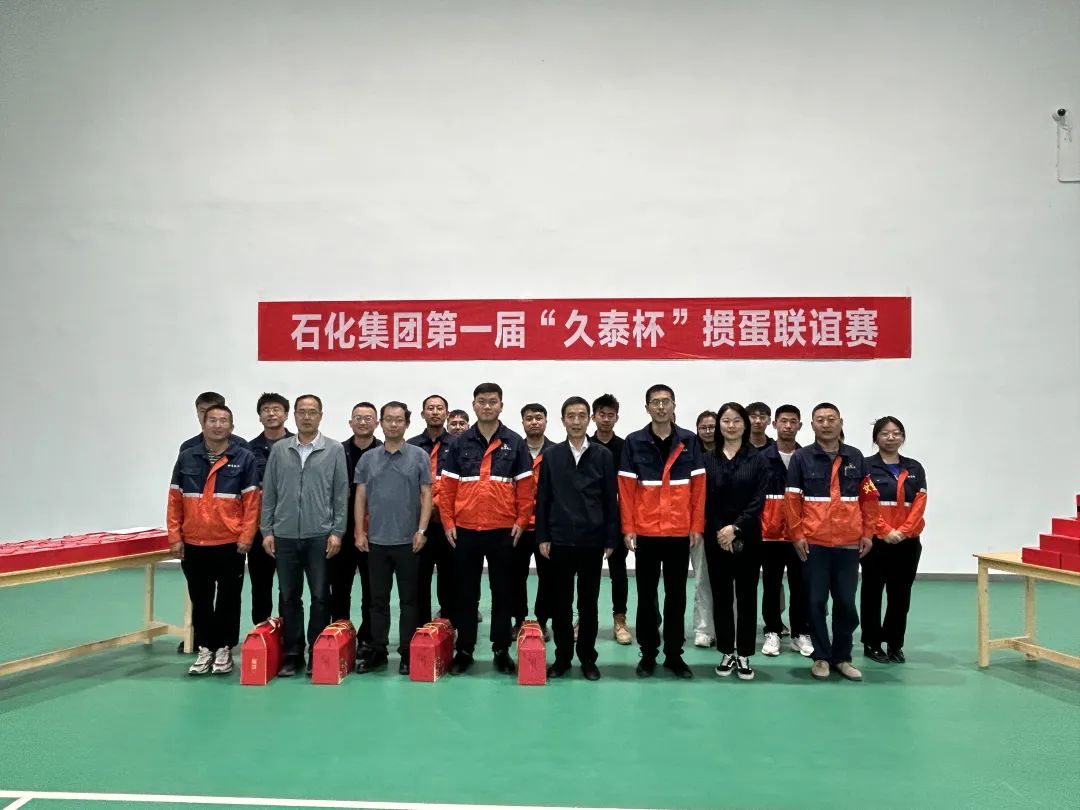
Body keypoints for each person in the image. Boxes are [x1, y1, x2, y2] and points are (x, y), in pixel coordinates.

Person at [441, 383, 534, 675]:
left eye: (492, 401)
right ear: (474, 405)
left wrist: (521, 521)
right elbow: (447, 487)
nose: (487, 406)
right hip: (466, 530)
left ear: (501, 406)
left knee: (503, 592)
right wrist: (448, 522)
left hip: (503, 530)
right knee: (465, 593)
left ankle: (501, 649)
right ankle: (465, 649)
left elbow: (526, 487)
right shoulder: (460, 443)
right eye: (482, 401)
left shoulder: (515, 442)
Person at [785, 403, 879, 682]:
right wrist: (797, 535)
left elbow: (869, 498)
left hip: (849, 543)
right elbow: (792, 500)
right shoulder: (801, 458)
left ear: (840, 422)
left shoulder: (856, 457)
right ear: (812, 425)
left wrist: (868, 532)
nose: (826, 424)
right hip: (814, 543)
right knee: (815, 602)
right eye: (820, 420)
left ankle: (842, 657)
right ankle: (821, 657)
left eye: (831, 419)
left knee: (846, 603)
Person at [619, 384, 705, 679]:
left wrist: (696, 526)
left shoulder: (689, 441)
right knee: (646, 596)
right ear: (647, 408)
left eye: (666, 401)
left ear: (673, 405)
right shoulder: (634, 442)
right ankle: (648, 653)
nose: (660, 407)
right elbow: (626, 489)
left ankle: (673, 654)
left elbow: (699, 488)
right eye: (655, 402)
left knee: (676, 595)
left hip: (679, 532)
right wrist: (628, 527)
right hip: (646, 531)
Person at [167, 404, 260, 676]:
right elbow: (174, 499)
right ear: (203, 424)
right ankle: (205, 647)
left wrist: (246, 536)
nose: (218, 425)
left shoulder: (243, 458)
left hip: (230, 542)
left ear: (231, 426)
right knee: (201, 598)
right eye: (213, 420)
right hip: (194, 543)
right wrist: (175, 536)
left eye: (223, 421)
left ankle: (224, 648)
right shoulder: (187, 457)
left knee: (229, 599)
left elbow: (252, 502)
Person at [260, 394, 349, 677]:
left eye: (312, 412)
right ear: (294, 416)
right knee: (289, 597)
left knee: (320, 596)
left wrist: (337, 532)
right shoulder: (280, 450)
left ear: (320, 416)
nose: (307, 417)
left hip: (319, 535)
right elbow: (269, 492)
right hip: (284, 535)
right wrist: (267, 530)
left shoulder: (334, 449)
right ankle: (293, 653)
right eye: (302, 412)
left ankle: (318, 652)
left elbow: (341, 494)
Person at [536, 397, 618, 681]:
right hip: (559, 540)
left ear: (589, 419)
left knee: (588, 605)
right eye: (571, 416)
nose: (576, 421)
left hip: (591, 541)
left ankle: (587, 658)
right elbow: (543, 497)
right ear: (563, 421)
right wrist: (543, 535)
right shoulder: (552, 455)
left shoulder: (603, 456)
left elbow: (610, 499)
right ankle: (562, 658)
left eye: (582, 415)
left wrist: (610, 537)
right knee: (561, 604)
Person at [353, 402, 433, 675]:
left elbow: (427, 495)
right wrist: (359, 531)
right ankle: (378, 650)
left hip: (409, 542)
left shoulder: (419, 456)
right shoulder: (368, 459)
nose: (394, 424)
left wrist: (421, 531)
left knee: (410, 601)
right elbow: (360, 496)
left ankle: (408, 652)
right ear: (381, 423)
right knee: (377, 600)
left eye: (399, 420)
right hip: (376, 541)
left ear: (407, 424)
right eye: (388, 419)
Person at [704, 403, 767, 681]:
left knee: (746, 596)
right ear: (719, 425)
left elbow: (759, 500)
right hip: (716, 537)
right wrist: (721, 531)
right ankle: (727, 651)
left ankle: (744, 654)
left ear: (745, 424)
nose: (731, 426)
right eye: (726, 421)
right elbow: (704, 499)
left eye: (736, 420)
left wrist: (736, 528)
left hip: (748, 537)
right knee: (721, 596)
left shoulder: (758, 459)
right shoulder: (707, 459)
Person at [860, 416, 927, 664]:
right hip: (876, 542)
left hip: (907, 543)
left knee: (900, 595)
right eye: (885, 433)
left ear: (902, 437)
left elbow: (919, 504)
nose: (891, 438)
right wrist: (885, 530)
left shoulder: (915, 468)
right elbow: (866, 504)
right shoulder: (866, 467)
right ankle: (871, 642)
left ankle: (895, 643)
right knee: (872, 593)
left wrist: (903, 532)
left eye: (896, 433)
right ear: (876, 438)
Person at [760, 404, 813, 657]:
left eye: (793, 422)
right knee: (771, 585)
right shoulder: (761, 458)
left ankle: (799, 633)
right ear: (775, 424)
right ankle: (772, 630)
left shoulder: (808, 458)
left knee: (800, 586)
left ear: (800, 426)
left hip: (799, 535)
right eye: (783, 421)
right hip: (770, 533)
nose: (788, 426)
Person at [330, 401, 382, 652]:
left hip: (375, 531)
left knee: (372, 591)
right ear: (350, 422)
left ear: (377, 423)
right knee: (340, 589)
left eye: (368, 418)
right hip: (342, 530)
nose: (363, 422)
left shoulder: (384, 451)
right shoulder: (337, 452)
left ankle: (367, 638)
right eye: (358, 418)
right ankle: (340, 635)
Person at [407, 394, 456, 625]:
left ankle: (447, 628)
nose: (435, 412)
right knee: (418, 580)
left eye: (439, 408)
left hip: (449, 526)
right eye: (430, 408)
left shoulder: (458, 445)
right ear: (422, 413)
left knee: (450, 581)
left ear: (447, 413)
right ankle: (421, 630)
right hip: (419, 526)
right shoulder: (411, 445)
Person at [246, 392, 292, 625]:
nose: (271, 414)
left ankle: (288, 632)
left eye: (276, 409)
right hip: (259, 526)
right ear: (259, 416)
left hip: (291, 525)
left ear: (286, 414)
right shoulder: (247, 450)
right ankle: (261, 632)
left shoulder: (298, 445)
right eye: (266, 410)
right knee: (260, 583)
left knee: (289, 585)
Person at [590, 393, 632, 645]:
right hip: (589, 520)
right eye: (601, 414)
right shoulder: (584, 445)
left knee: (618, 572)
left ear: (617, 417)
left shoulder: (625, 447)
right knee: (588, 573)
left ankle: (620, 618)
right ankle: (584, 619)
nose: (606, 419)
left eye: (610, 415)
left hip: (616, 520)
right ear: (593, 417)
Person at [512, 403, 555, 637]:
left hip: (545, 527)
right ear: (523, 423)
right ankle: (518, 620)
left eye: (539, 417)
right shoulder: (512, 451)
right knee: (515, 577)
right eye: (529, 418)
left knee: (547, 578)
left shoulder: (556, 452)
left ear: (546, 421)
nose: (534, 422)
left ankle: (541, 620)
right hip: (517, 526)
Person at [691, 410, 718, 648]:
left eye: (712, 427)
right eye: (704, 427)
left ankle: (727, 627)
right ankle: (703, 628)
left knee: (729, 581)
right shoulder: (691, 454)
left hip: (726, 526)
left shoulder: (729, 453)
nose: (708, 431)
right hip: (699, 525)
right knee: (702, 578)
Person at [179, 392, 247, 452]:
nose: (206, 416)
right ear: (197, 414)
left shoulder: (241, 445)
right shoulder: (187, 447)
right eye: (202, 411)